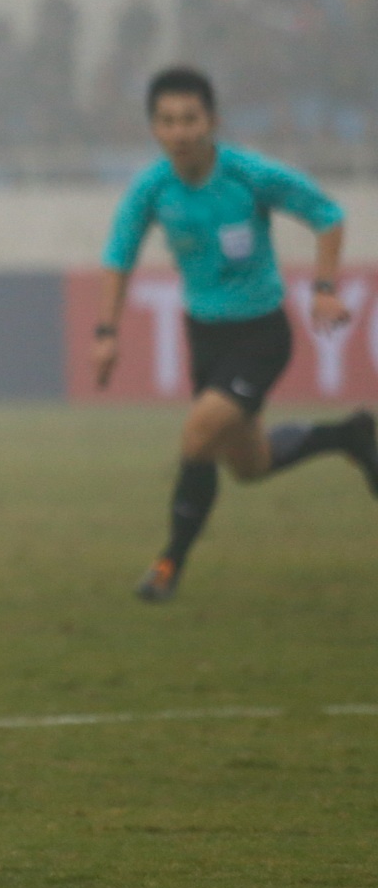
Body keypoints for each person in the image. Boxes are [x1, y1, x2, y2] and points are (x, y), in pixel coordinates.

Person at [93, 66, 377, 602]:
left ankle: (168, 563)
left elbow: (327, 215)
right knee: (250, 464)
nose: (179, 131)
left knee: (197, 435)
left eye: (190, 119)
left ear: (213, 122)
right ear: (154, 128)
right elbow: (118, 256)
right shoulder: (152, 188)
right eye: (167, 121)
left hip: (261, 335)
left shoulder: (249, 174)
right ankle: (350, 435)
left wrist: (323, 288)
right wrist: (106, 332)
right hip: (205, 337)